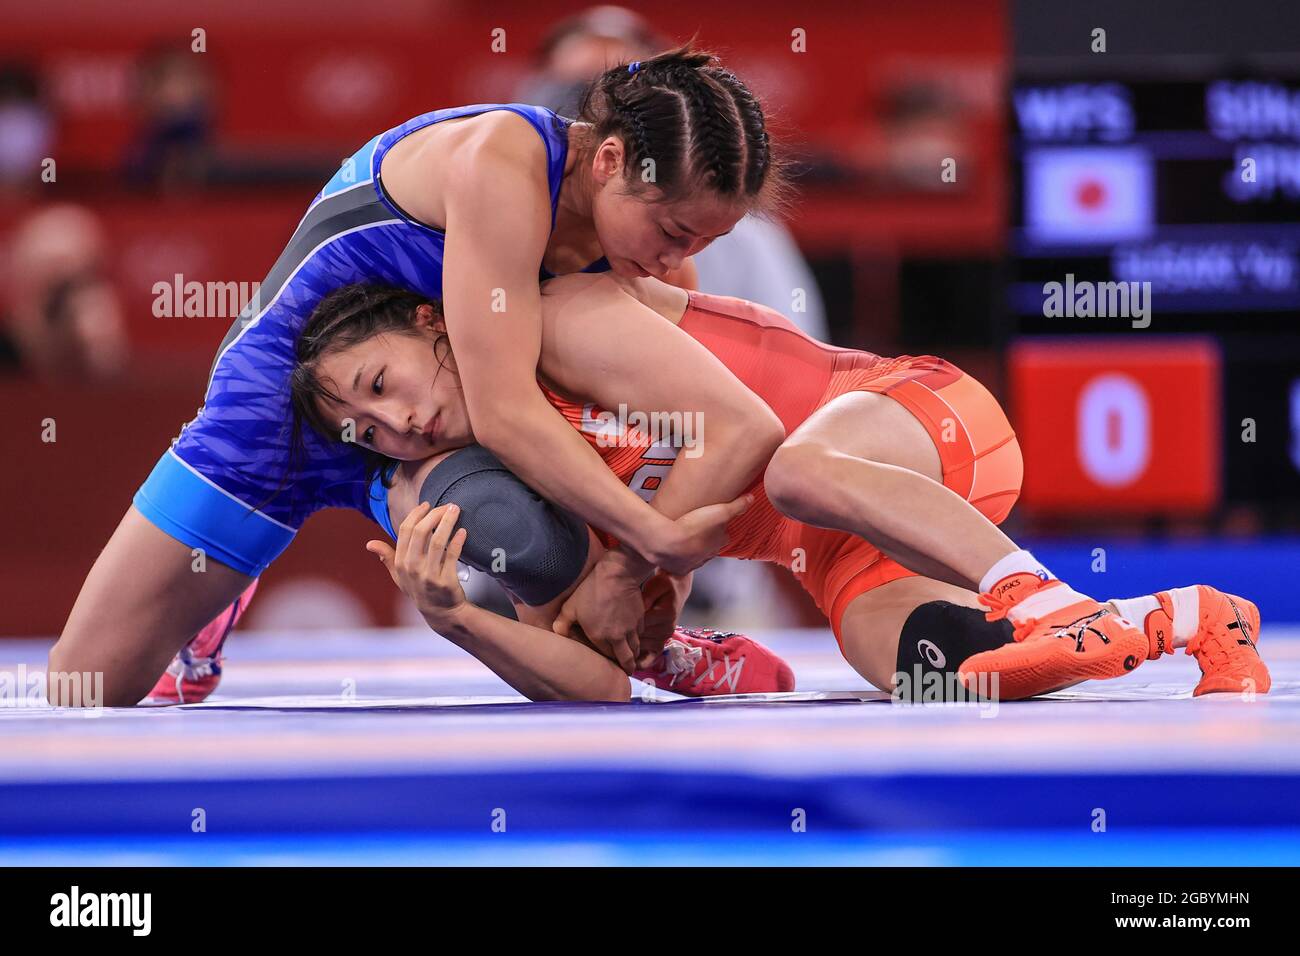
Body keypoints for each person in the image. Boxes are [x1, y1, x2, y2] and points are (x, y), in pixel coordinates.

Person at [50, 47, 789, 706]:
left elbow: (658, 437)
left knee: (565, 620)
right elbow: (506, 413)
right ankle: (212, 604)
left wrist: (646, 590)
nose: (675, 262)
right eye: (671, 233)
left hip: (433, 438)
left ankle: (660, 646)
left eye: (701, 241)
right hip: (285, 403)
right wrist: (648, 547)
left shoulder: (641, 253)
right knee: (84, 685)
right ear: (608, 162)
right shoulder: (500, 159)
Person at [288, 275, 1271, 702]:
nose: (395, 425)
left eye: (382, 383)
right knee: (939, 682)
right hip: (842, 544)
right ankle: (1186, 615)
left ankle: (1042, 593)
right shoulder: (490, 495)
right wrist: (456, 616)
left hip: (902, 418)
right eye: (362, 429)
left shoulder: (557, 315)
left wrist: (633, 561)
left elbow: (744, 431)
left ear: (431, 322)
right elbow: (591, 678)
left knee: (796, 467)